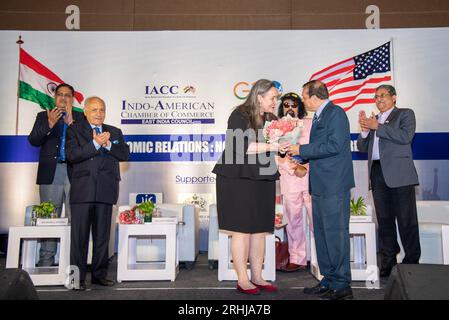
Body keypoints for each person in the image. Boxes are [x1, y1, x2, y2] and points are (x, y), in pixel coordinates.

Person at [212, 79, 290, 295]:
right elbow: (239, 146)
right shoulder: (239, 114)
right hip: (237, 177)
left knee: (260, 230)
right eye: (273, 98)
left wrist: (281, 148)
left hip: (262, 175)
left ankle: (258, 276)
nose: (276, 102)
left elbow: (272, 147)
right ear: (259, 97)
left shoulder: (271, 119)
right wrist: (272, 145)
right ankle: (243, 279)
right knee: (241, 230)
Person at [288, 80, 355, 300]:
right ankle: (329, 278)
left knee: (335, 233)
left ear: (315, 96)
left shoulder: (335, 113)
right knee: (323, 234)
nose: (303, 100)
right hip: (319, 184)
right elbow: (322, 148)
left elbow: (335, 145)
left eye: (304, 96)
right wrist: (299, 154)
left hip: (334, 185)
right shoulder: (318, 116)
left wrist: (302, 149)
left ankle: (342, 283)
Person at [66, 96, 129, 290]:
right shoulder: (74, 130)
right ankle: (76, 279)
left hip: (105, 190)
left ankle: (99, 275)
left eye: (102, 109)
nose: (99, 113)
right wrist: (95, 144)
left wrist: (108, 144)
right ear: (85, 111)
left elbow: (124, 154)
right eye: (94, 110)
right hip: (82, 191)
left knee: (102, 237)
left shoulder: (114, 131)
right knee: (79, 239)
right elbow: (72, 155)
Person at [357, 85, 420, 277]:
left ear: (394, 97)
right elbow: (361, 147)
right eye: (376, 97)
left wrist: (378, 127)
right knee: (384, 221)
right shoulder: (374, 120)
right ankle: (388, 261)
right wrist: (366, 131)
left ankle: (411, 261)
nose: (379, 99)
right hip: (376, 172)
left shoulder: (405, 114)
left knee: (406, 220)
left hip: (399, 174)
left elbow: (405, 137)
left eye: (383, 96)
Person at [28, 83, 85, 267]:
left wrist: (71, 124)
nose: (63, 98)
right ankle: (46, 260)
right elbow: (34, 140)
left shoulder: (80, 118)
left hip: (74, 171)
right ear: (55, 97)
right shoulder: (43, 116)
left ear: (72, 99)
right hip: (51, 173)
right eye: (60, 94)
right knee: (48, 217)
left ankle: (70, 262)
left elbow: (85, 144)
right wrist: (50, 124)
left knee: (73, 216)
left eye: (67, 95)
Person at [276, 92, 313, 272]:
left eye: (294, 105)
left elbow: (318, 149)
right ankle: (297, 258)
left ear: (300, 107)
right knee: (294, 221)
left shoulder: (311, 124)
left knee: (316, 220)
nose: (290, 108)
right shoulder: (275, 127)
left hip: (311, 177)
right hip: (290, 179)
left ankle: (320, 258)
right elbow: (276, 155)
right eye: (286, 105)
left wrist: (304, 167)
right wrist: (293, 168)